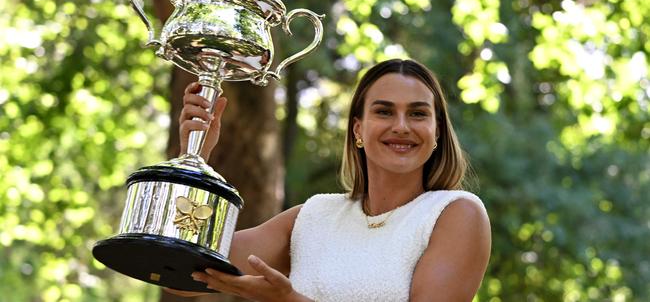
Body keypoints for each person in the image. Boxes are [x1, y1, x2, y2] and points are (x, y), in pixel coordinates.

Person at [168, 59, 491, 301]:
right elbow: (180, 269)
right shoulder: (315, 216)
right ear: (358, 130)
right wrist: (195, 158)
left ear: (436, 132)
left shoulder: (455, 213)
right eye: (384, 112)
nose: (402, 126)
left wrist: (289, 301)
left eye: (418, 114)